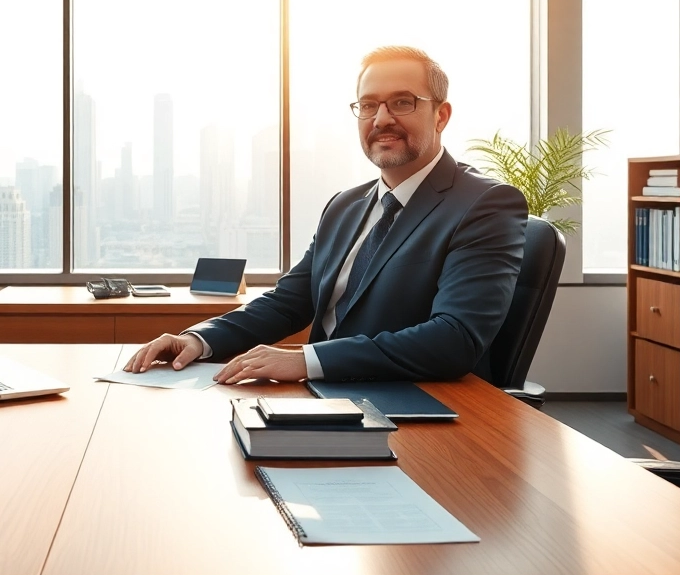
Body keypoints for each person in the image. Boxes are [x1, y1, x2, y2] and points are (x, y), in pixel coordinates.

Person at [124, 45, 528, 384]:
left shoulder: (485, 204)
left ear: (441, 115)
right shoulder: (344, 206)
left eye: (402, 102)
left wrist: (306, 360)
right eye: (368, 105)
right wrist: (199, 340)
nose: (381, 119)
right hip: (327, 399)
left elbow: (454, 339)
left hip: (421, 409)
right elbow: (288, 303)